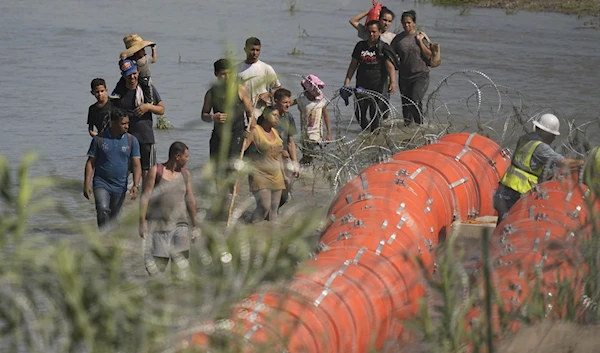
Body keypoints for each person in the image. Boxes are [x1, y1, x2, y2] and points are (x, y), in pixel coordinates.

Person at [493, 113, 583, 225]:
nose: (554, 137)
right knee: (512, 226)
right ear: (546, 132)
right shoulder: (541, 148)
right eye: (553, 134)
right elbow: (564, 163)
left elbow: (530, 165)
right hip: (517, 192)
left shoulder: (525, 139)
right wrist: (585, 163)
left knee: (502, 227)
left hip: (504, 188)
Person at [139, 141, 199, 276]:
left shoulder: (185, 175)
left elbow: (190, 200)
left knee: (180, 269)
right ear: (177, 157)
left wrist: (195, 226)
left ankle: (178, 294)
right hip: (159, 227)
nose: (188, 160)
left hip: (181, 226)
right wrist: (142, 221)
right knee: (157, 270)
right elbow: (145, 197)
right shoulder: (156, 171)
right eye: (186, 157)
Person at [84, 107, 142, 228]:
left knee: (115, 218)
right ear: (113, 122)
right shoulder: (99, 139)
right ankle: (103, 238)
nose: (126, 126)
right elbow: (90, 163)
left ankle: (110, 242)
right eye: (123, 124)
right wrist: (86, 183)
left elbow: (136, 165)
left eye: (127, 123)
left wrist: (136, 185)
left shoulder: (132, 141)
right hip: (101, 183)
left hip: (120, 186)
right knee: (103, 209)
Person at [201, 58, 255, 189]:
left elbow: (251, 114)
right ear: (216, 75)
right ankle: (221, 202)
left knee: (232, 173)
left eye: (230, 73)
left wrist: (251, 133)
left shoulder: (240, 90)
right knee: (218, 172)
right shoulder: (211, 93)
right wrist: (213, 117)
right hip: (218, 137)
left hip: (237, 136)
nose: (227, 77)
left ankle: (232, 203)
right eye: (223, 74)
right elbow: (204, 115)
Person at [112, 59, 165, 186]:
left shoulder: (147, 89)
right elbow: (111, 115)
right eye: (128, 74)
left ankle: (145, 201)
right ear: (123, 75)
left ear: (138, 72)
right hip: (126, 139)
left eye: (134, 73)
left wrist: (147, 107)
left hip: (146, 137)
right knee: (123, 170)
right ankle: (123, 198)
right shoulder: (119, 93)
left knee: (148, 172)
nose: (132, 77)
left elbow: (161, 109)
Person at [344, 20, 397, 132]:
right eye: (369, 32)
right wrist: (347, 82)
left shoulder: (383, 47)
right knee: (359, 113)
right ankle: (366, 134)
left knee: (375, 115)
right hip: (362, 84)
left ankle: (374, 136)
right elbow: (353, 65)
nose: (371, 34)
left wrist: (392, 82)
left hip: (378, 86)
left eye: (374, 32)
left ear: (379, 32)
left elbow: (390, 67)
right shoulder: (360, 46)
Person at [244, 106, 286, 222]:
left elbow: (279, 156)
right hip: (259, 173)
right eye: (274, 115)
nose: (277, 118)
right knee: (264, 206)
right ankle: (251, 228)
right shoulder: (254, 131)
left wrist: (284, 175)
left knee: (273, 212)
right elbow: (242, 151)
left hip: (276, 175)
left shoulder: (276, 132)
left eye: (278, 116)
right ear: (266, 115)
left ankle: (272, 236)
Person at [390, 10, 432, 126]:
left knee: (415, 100)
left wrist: (420, 42)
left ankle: (421, 126)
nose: (406, 25)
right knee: (406, 107)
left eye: (409, 22)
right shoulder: (398, 39)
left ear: (414, 23)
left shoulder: (421, 36)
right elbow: (389, 56)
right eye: (404, 23)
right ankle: (408, 131)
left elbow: (429, 56)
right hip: (404, 77)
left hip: (421, 75)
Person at [238, 37, 282, 119]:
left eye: (257, 50)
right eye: (252, 50)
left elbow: (278, 88)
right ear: (245, 49)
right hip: (242, 115)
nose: (255, 53)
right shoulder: (237, 69)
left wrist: (267, 94)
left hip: (261, 114)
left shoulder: (266, 68)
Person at [272, 88, 300, 208]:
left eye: (289, 102)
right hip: (272, 158)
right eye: (285, 103)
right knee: (275, 190)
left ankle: (271, 215)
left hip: (285, 158)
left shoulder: (289, 117)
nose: (288, 105)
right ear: (276, 101)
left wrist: (295, 163)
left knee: (285, 193)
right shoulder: (270, 116)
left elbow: (290, 141)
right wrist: (280, 151)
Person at [112, 34, 157, 103]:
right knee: (121, 81)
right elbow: (122, 66)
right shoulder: (130, 59)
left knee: (147, 88)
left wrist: (153, 50)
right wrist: (122, 60)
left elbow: (153, 60)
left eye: (143, 49)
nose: (144, 51)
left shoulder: (146, 58)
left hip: (145, 76)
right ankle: (116, 93)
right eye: (142, 49)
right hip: (133, 76)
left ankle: (149, 101)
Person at [297, 74, 331, 165]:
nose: (318, 90)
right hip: (305, 134)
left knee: (314, 154)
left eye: (319, 88)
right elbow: (287, 104)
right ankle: (301, 169)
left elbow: (326, 117)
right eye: (316, 88)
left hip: (316, 135)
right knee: (306, 157)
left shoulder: (321, 102)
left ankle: (316, 170)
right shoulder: (302, 100)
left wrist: (328, 134)